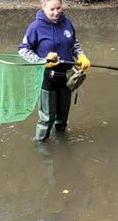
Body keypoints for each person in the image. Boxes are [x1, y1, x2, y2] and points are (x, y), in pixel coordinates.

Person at [18, 0, 91, 142]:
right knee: (47, 118)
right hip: (47, 78)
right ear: (43, 7)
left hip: (67, 78)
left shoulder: (67, 22)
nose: (56, 12)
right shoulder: (35, 27)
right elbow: (23, 50)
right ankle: (40, 145)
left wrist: (81, 55)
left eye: (59, 8)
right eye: (52, 9)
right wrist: (43, 61)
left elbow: (74, 43)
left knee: (63, 116)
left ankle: (62, 140)